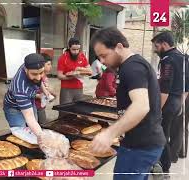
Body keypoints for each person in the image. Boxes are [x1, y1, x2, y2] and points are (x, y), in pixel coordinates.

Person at [90, 27, 166, 180]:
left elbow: (141, 106)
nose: (103, 62)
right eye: (99, 58)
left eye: (104, 56)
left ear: (119, 46)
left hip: (139, 147)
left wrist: (109, 134)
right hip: (142, 143)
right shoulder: (131, 65)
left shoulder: (132, 67)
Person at [151, 32, 189, 173]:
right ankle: (163, 164)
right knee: (166, 133)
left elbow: (165, 87)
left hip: (168, 101)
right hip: (178, 101)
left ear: (164, 44)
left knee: (161, 134)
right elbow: (187, 84)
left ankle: (163, 167)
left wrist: (158, 109)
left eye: (157, 46)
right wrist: (182, 103)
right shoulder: (183, 57)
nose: (155, 49)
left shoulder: (168, 60)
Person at [3, 53, 49, 136]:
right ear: (25, 69)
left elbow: (39, 79)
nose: (38, 77)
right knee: (22, 134)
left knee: (34, 129)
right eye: (34, 74)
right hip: (14, 108)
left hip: (30, 100)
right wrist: (43, 137)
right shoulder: (20, 88)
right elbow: (29, 117)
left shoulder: (32, 64)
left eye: (41, 72)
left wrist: (45, 91)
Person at [57, 37, 92, 117]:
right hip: (66, 89)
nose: (76, 52)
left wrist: (81, 71)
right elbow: (59, 75)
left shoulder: (82, 56)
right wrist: (72, 76)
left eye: (78, 49)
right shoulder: (63, 58)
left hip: (79, 88)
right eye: (74, 49)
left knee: (78, 109)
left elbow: (90, 71)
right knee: (65, 110)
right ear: (69, 48)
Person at [35, 53, 56, 125]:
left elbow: (46, 91)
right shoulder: (36, 77)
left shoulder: (45, 77)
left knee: (42, 124)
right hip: (34, 107)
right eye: (48, 64)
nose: (51, 66)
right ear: (42, 65)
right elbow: (28, 93)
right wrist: (39, 96)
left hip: (41, 106)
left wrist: (51, 94)